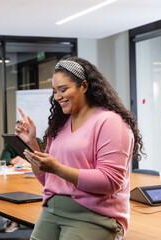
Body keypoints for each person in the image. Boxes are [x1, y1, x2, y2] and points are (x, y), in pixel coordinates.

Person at [16, 57, 144, 240]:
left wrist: (57, 168)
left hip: (95, 216)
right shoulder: (59, 125)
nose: (57, 96)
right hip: (51, 212)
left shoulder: (111, 122)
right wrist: (32, 144)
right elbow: (49, 180)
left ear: (84, 86)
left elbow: (110, 182)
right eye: (54, 91)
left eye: (63, 89)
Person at [0, 136, 42, 232]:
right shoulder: (11, 143)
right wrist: (12, 160)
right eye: (17, 132)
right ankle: (14, 221)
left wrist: (28, 162)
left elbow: (43, 160)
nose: (18, 134)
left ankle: (32, 220)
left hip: (34, 178)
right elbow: (2, 160)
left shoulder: (37, 142)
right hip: (16, 178)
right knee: (10, 188)